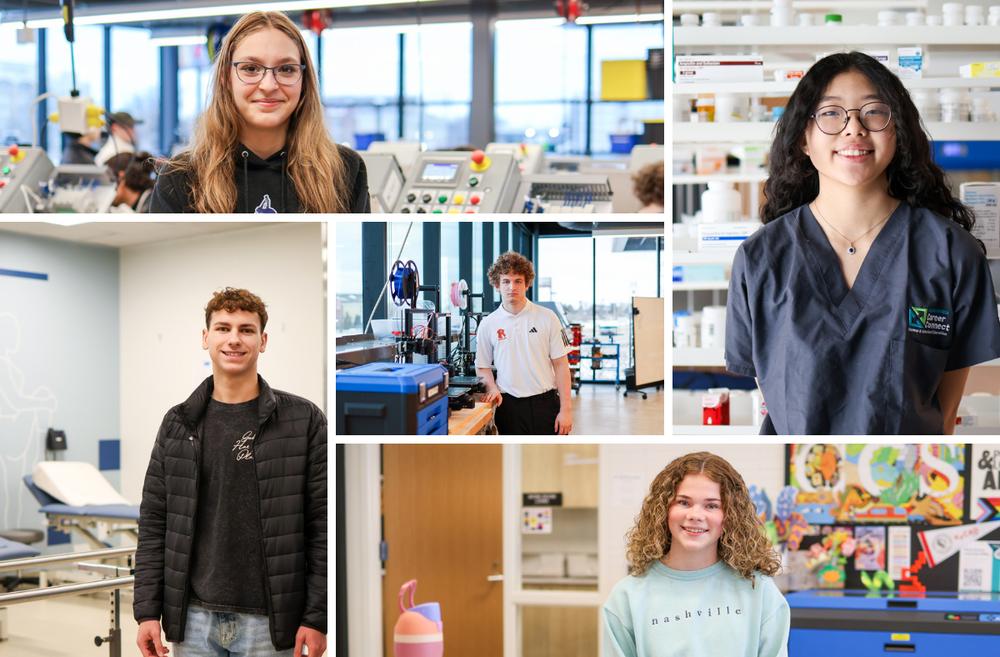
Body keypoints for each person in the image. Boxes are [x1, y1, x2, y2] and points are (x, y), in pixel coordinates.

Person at [726, 51, 1000, 435]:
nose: (853, 129)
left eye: (873, 111)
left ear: (898, 132)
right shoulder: (760, 258)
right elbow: (773, 390)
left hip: (906, 480)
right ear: (804, 138)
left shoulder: (951, 252)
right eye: (831, 113)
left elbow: (946, 407)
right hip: (798, 478)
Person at [134, 288, 327, 657]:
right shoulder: (177, 424)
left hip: (271, 625)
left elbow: (323, 525)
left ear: (263, 341)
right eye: (223, 328)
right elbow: (155, 522)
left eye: (246, 329)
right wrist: (146, 611)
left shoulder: (304, 420)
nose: (234, 339)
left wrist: (317, 616)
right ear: (205, 338)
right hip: (193, 621)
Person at [150, 11, 370, 213]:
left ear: (304, 81)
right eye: (251, 69)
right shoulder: (180, 179)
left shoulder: (344, 169)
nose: (268, 85)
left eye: (286, 69)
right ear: (226, 78)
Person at [603, 452, 789, 657]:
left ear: (730, 517)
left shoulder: (760, 591)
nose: (695, 515)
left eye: (711, 505)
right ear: (663, 509)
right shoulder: (627, 597)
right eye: (684, 502)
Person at [475, 251, 573, 435]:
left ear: (527, 284)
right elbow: (482, 366)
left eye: (518, 281)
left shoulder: (548, 317)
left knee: (551, 460)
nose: (512, 287)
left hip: (547, 405)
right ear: (497, 285)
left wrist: (565, 410)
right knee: (515, 460)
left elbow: (561, 366)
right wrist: (493, 388)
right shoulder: (488, 324)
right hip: (509, 407)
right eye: (506, 281)